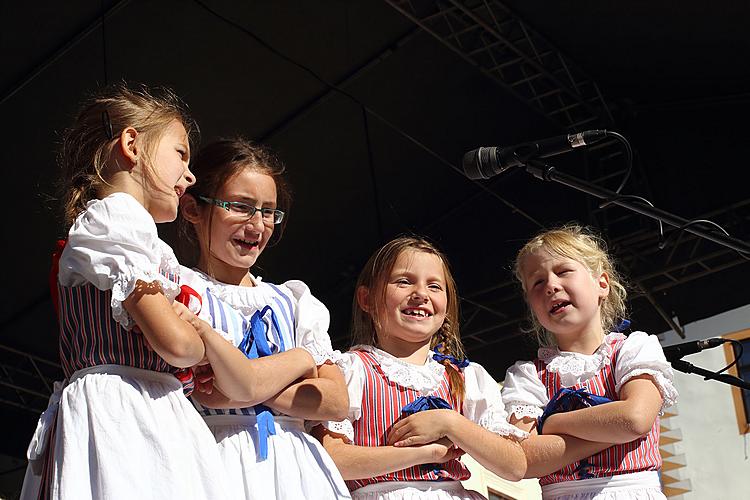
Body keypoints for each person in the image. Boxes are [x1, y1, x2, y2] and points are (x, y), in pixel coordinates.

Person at [21, 83, 228, 499]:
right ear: (132, 143)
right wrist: (196, 341)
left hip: (144, 407)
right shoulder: (116, 221)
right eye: (181, 153)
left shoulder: (131, 235)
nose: (189, 175)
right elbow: (178, 346)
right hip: (125, 414)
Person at [176, 138, 351, 499]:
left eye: (268, 211)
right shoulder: (181, 289)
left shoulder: (293, 300)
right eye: (240, 206)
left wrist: (246, 385)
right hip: (214, 459)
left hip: (297, 469)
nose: (257, 224)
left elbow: (335, 401)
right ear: (193, 209)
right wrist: (301, 361)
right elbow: (204, 392)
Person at [315, 236, 527, 500]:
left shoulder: (465, 377)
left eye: (435, 286)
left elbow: (515, 466)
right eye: (404, 281)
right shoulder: (352, 369)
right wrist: (424, 453)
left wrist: (450, 422)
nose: (421, 294)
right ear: (366, 299)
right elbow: (333, 458)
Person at [502, 224, 678, 499]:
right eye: (537, 282)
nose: (551, 285)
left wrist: (552, 423)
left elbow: (634, 419)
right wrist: (612, 427)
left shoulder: (634, 348)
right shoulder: (528, 375)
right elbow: (523, 458)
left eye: (563, 271)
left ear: (602, 284)